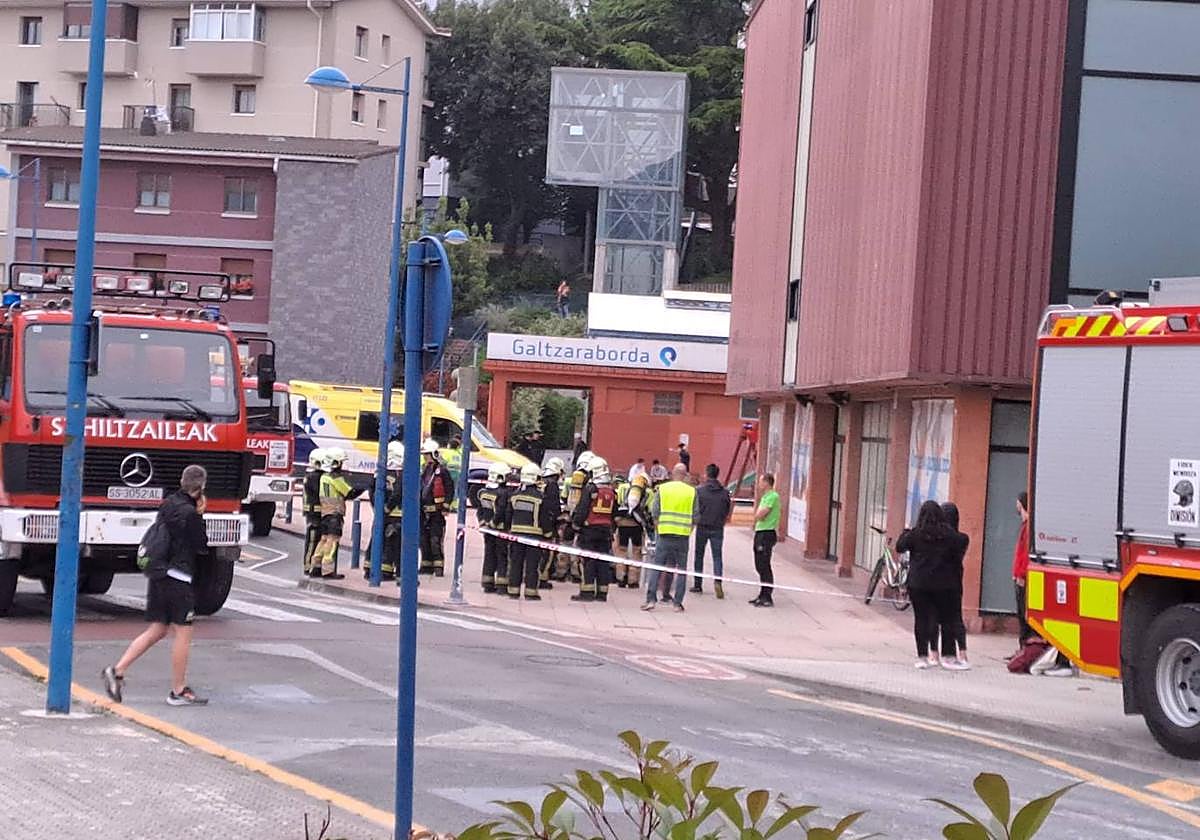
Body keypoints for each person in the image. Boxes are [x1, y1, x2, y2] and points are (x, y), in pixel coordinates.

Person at [102, 465, 211, 706]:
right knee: (183, 631)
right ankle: (178, 690)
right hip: (178, 577)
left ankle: (117, 670)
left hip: (158, 573)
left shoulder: (169, 503)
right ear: (200, 488)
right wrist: (201, 515)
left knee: (158, 628)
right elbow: (201, 545)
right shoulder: (190, 514)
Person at [897, 500, 967, 669]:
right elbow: (962, 541)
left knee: (921, 620)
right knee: (947, 619)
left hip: (918, 583)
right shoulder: (948, 535)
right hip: (943, 585)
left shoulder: (915, 534)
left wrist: (905, 531)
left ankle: (923, 657)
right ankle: (948, 656)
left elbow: (900, 547)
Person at [642, 463, 697, 612]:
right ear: (685, 475)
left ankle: (651, 600)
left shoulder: (663, 489)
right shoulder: (691, 492)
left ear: (672, 473)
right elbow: (696, 516)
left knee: (657, 567)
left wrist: (659, 528)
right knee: (682, 570)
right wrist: (688, 531)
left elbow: (655, 512)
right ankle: (677, 603)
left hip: (664, 534)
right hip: (682, 536)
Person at [504, 463, 554, 600]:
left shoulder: (514, 495)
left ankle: (513, 591)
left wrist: (508, 529)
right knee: (532, 565)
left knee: (515, 563)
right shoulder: (540, 498)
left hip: (516, 535)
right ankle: (531, 592)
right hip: (534, 536)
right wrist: (548, 534)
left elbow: (508, 515)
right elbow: (544, 519)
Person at [572, 456, 617, 602]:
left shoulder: (591, 488)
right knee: (603, 561)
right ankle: (602, 593)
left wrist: (576, 524)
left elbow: (582, 508)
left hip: (589, 530)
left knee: (587, 561)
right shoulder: (611, 491)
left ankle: (587, 591)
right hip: (605, 531)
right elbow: (614, 513)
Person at [314, 448, 362, 579]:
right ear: (335, 463)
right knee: (333, 541)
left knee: (323, 540)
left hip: (325, 513)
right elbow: (349, 493)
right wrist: (364, 487)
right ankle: (328, 570)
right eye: (341, 462)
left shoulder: (324, 477)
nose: (342, 465)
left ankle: (315, 566)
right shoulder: (335, 478)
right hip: (335, 514)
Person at [363, 443, 404, 581]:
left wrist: (377, 507)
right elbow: (398, 493)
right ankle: (386, 571)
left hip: (381, 513)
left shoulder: (379, 473)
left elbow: (371, 490)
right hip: (396, 515)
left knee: (376, 539)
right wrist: (388, 508)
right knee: (392, 543)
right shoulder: (399, 474)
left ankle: (369, 569)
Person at [693, 463, 732, 598]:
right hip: (717, 527)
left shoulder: (699, 490)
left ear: (706, 474)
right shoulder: (725, 492)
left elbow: (696, 508)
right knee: (717, 556)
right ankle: (717, 581)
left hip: (702, 526)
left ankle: (698, 584)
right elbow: (728, 509)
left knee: (699, 555)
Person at [940, 501, 971, 670]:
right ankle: (963, 653)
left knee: (944, 619)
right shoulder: (963, 538)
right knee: (956, 617)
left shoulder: (944, 539)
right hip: (956, 579)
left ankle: (945, 652)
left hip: (942, 581)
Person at [419, 437, 452, 576]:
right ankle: (426, 565)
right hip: (425, 511)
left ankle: (438, 566)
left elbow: (450, 489)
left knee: (435, 539)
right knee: (424, 539)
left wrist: (445, 507)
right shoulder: (425, 470)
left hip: (437, 512)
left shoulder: (442, 471)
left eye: (426, 455)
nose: (425, 458)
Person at [476, 463, 512, 593]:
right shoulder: (503, 493)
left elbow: (479, 510)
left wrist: (482, 522)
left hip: (487, 530)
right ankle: (502, 586)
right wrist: (494, 524)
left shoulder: (484, 492)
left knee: (489, 555)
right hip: (500, 530)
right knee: (502, 557)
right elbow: (501, 511)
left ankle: (487, 583)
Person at [613, 469, 649, 589]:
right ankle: (633, 581)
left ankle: (620, 578)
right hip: (636, 525)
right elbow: (647, 509)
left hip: (622, 523)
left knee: (621, 550)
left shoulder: (622, 487)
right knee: (636, 552)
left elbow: (617, 502)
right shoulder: (648, 492)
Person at [750, 473, 781, 607]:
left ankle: (767, 596)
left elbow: (762, 514)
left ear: (767, 482)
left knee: (764, 564)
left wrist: (757, 515)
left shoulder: (773, 496)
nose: (759, 484)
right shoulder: (765, 496)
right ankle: (762, 593)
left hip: (766, 533)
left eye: (761, 481)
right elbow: (757, 514)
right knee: (759, 564)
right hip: (760, 531)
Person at [536, 458, 564, 589]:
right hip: (548, 522)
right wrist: (559, 518)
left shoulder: (540, 481)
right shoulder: (552, 484)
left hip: (536, 521)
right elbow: (554, 505)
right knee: (548, 551)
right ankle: (542, 577)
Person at [1011, 491, 1033, 654]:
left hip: (1023, 578)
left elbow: (1025, 555)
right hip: (1018, 576)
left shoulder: (1028, 527)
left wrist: (1021, 575)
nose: (1016, 505)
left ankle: (1026, 649)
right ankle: (1022, 648)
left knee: (1024, 614)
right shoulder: (1024, 526)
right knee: (1020, 614)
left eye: (1017, 502)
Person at [301, 447, 326, 576]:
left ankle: (313, 565)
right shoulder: (315, 477)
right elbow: (321, 493)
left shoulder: (311, 475)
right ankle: (308, 566)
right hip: (315, 514)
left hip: (314, 513)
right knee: (312, 541)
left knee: (315, 540)